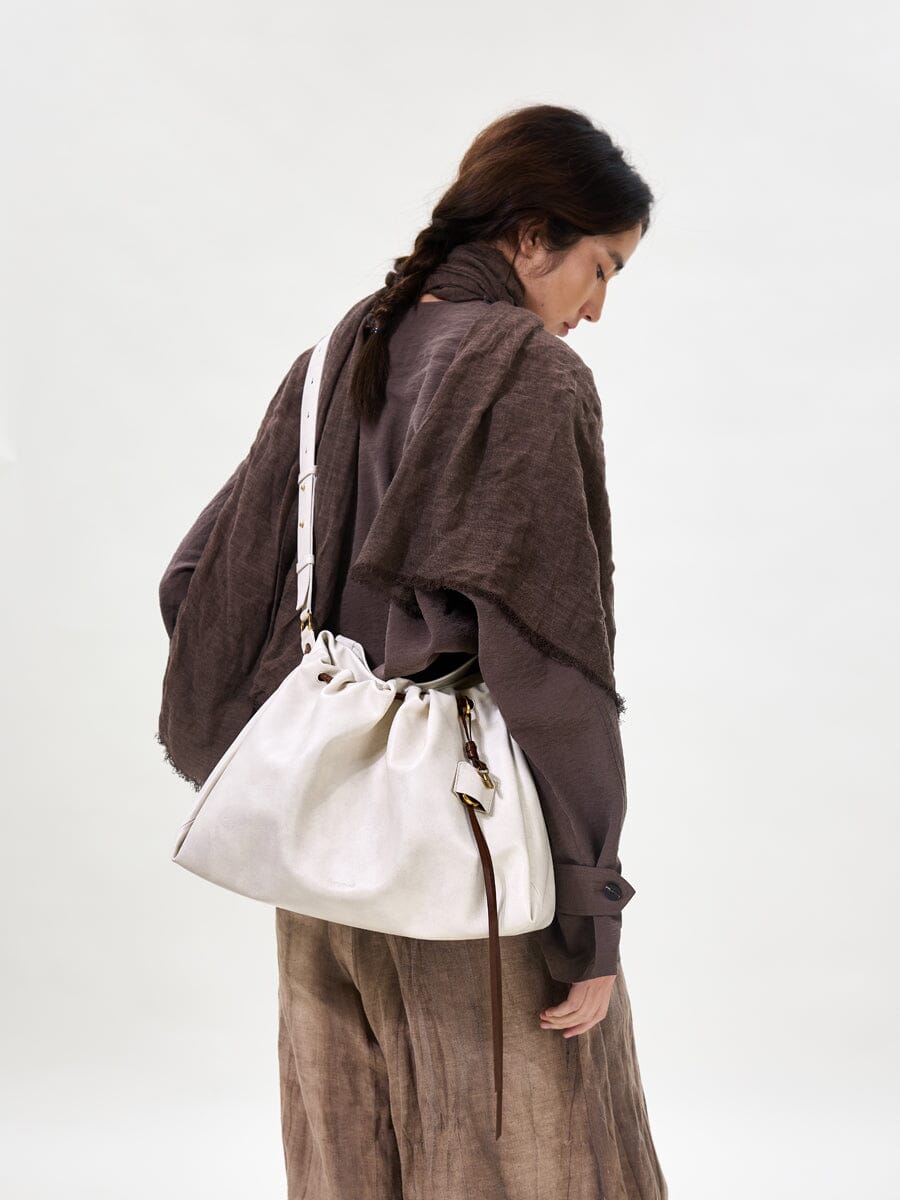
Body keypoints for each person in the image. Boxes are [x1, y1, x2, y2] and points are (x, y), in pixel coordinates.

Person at [157, 103, 668, 1199]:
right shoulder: (529, 377)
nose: (598, 306)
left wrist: (323, 728)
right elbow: (550, 677)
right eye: (602, 266)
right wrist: (593, 912)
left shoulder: (337, 360)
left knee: (348, 1166)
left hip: (324, 874)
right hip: (469, 878)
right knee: (529, 1164)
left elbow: (195, 585)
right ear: (530, 236)